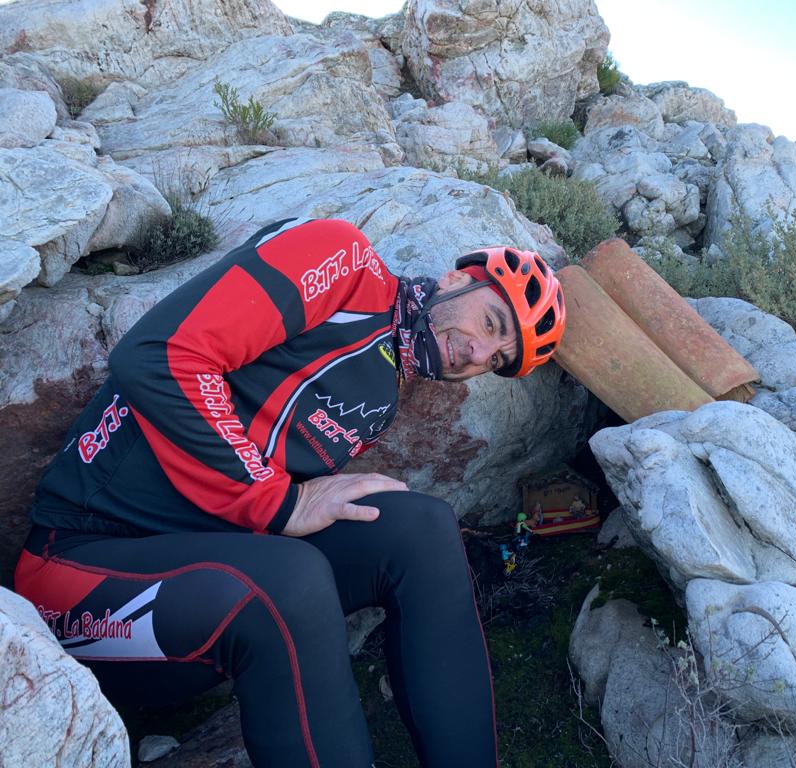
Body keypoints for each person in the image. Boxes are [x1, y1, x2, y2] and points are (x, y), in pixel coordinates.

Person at [13, 218, 566, 767]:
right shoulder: (343, 263)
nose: (478, 354)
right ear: (455, 279)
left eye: (497, 360)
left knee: (421, 530)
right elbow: (157, 357)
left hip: (200, 597)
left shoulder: (382, 392)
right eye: (490, 322)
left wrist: (287, 503)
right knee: (288, 583)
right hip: (77, 577)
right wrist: (282, 503)